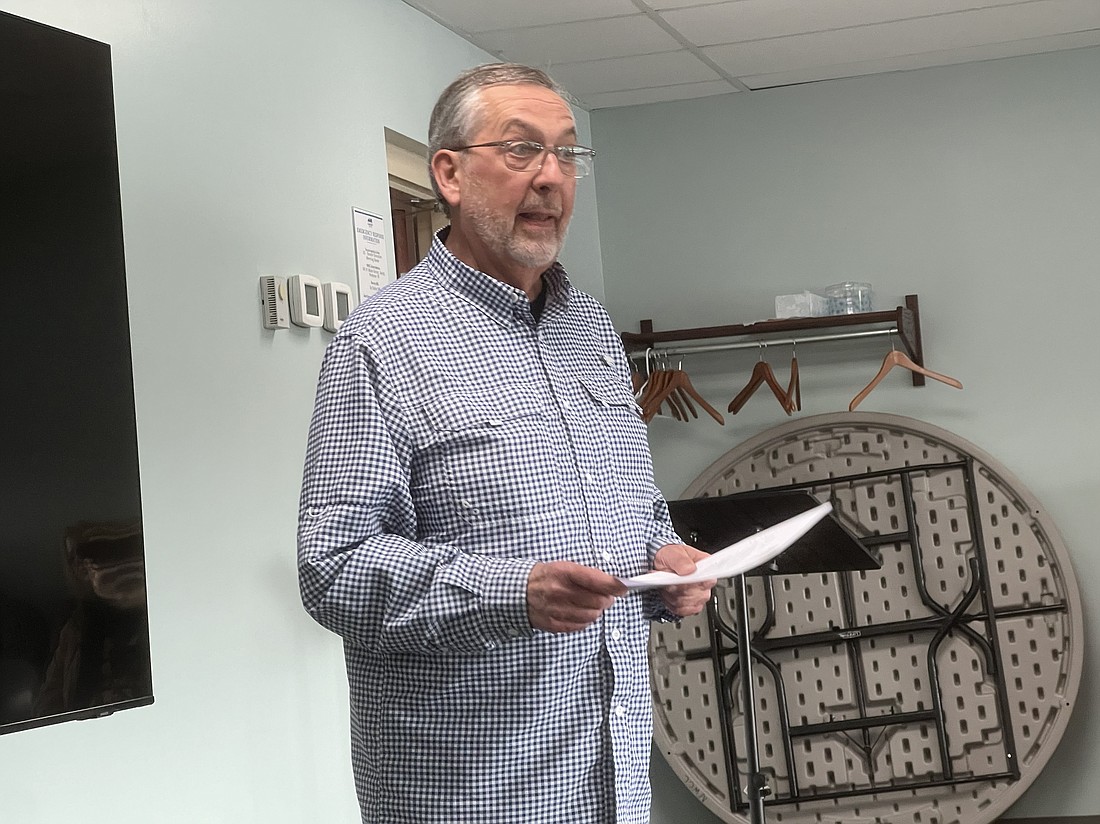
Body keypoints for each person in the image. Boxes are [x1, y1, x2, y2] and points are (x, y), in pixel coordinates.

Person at [297, 62, 716, 824]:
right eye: (522, 150)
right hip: (475, 794)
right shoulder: (381, 343)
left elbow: (634, 508)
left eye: (568, 154)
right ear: (450, 174)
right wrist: (510, 594)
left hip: (612, 782)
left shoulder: (590, 328)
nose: (552, 178)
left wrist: (665, 559)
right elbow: (334, 567)